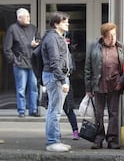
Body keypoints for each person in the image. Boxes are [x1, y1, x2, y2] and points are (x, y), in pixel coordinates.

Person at [84, 22, 124, 149]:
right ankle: (98, 138)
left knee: (114, 113)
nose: (113, 38)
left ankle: (112, 139)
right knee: (99, 113)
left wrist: (121, 82)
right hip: (99, 83)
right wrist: (88, 88)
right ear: (103, 36)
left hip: (115, 84)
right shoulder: (94, 46)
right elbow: (88, 67)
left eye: (114, 35)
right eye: (110, 36)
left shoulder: (120, 47)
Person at [41, 11, 73, 152]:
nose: (67, 23)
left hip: (58, 76)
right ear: (56, 24)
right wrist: (63, 80)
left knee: (55, 111)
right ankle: (52, 142)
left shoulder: (58, 37)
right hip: (55, 78)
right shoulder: (52, 38)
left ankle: (55, 140)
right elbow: (54, 62)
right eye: (64, 21)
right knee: (54, 111)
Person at [3, 8, 40, 117]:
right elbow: (7, 48)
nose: (29, 18)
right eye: (27, 16)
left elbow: (40, 40)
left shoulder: (33, 28)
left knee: (34, 88)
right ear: (19, 18)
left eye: (29, 16)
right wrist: (14, 60)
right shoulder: (13, 29)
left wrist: (36, 43)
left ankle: (33, 110)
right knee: (21, 89)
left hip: (33, 63)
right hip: (20, 63)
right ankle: (22, 111)